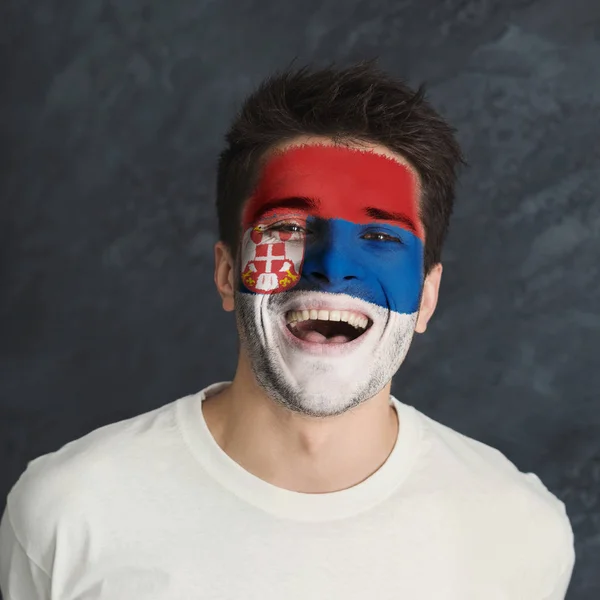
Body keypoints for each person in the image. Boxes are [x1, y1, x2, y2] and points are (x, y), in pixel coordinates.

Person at [0, 61, 575, 599]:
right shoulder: (67, 513)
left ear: (427, 297)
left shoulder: (519, 532)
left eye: (380, 237)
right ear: (227, 275)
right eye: (290, 225)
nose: (330, 267)